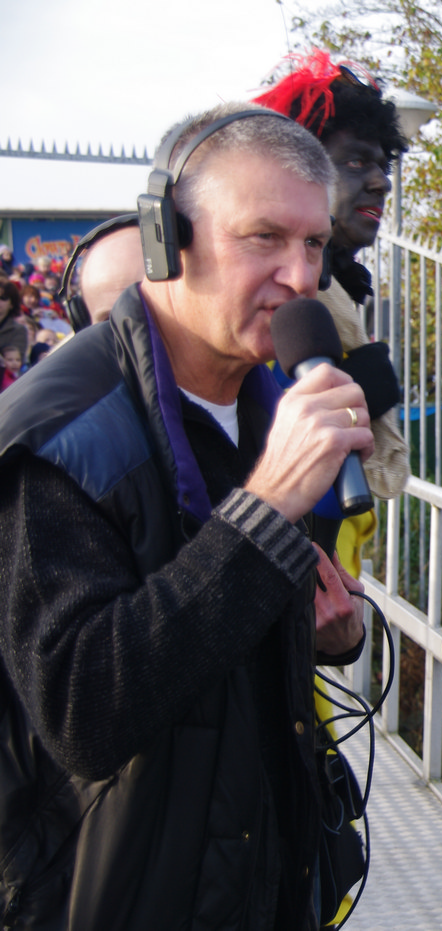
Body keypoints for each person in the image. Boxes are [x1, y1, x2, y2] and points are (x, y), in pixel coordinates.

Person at [0, 102, 371, 930]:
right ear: (166, 238)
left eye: (315, 243)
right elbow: (83, 713)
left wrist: (330, 631)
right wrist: (267, 507)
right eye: (264, 237)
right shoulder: (62, 436)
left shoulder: (269, 402)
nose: (301, 277)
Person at [254, 49, 410, 506]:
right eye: (356, 163)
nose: (382, 182)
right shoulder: (267, 299)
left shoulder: (338, 296)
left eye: (383, 166)